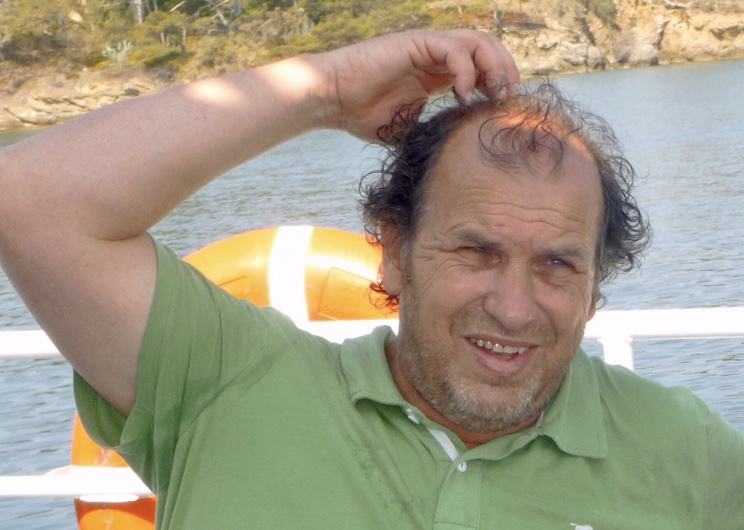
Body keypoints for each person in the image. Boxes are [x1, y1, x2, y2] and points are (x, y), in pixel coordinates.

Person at [0, 29, 741, 529]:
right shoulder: (218, 387)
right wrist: (326, 90)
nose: (514, 307)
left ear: (595, 287)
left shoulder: (689, 457)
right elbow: (29, 202)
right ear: (393, 249)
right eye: (475, 252)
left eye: (557, 263)